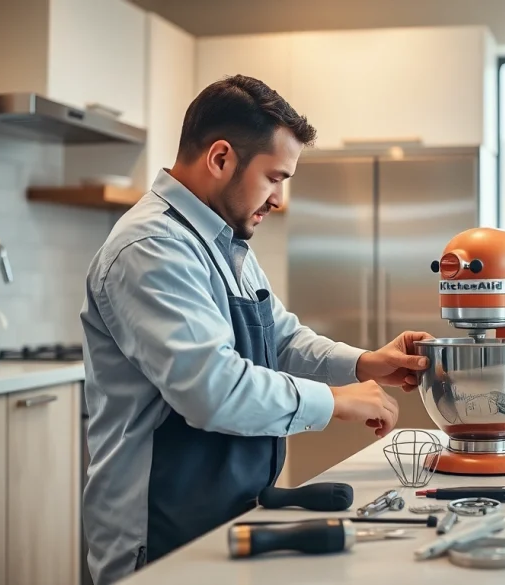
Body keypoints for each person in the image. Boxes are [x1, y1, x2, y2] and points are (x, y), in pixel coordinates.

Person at [79, 74, 432, 585]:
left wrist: (363, 363)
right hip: (159, 534)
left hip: (226, 513)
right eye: (274, 178)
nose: (279, 200)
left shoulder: (225, 244)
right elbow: (214, 391)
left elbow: (281, 338)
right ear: (221, 158)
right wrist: (336, 401)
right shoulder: (151, 248)